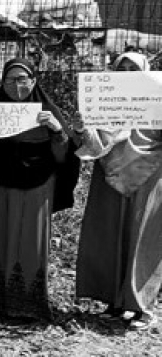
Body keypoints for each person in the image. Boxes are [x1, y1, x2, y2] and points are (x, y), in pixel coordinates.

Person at [0, 58, 80, 320]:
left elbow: (66, 157)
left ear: (34, 81)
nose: (16, 85)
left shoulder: (50, 112)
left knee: (29, 242)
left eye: (22, 79)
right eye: (10, 80)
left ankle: (26, 302)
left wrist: (57, 130)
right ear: (2, 83)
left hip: (36, 188)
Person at [74, 52, 162, 330]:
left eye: (133, 68)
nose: (126, 73)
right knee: (109, 235)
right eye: (120, 68)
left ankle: (142, 306)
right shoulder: (104, 99)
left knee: (142, 238)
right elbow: (94, 143)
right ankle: (114, 301)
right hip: (109, 174)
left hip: (148, 174)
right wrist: (83, 127)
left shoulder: (157, 97)